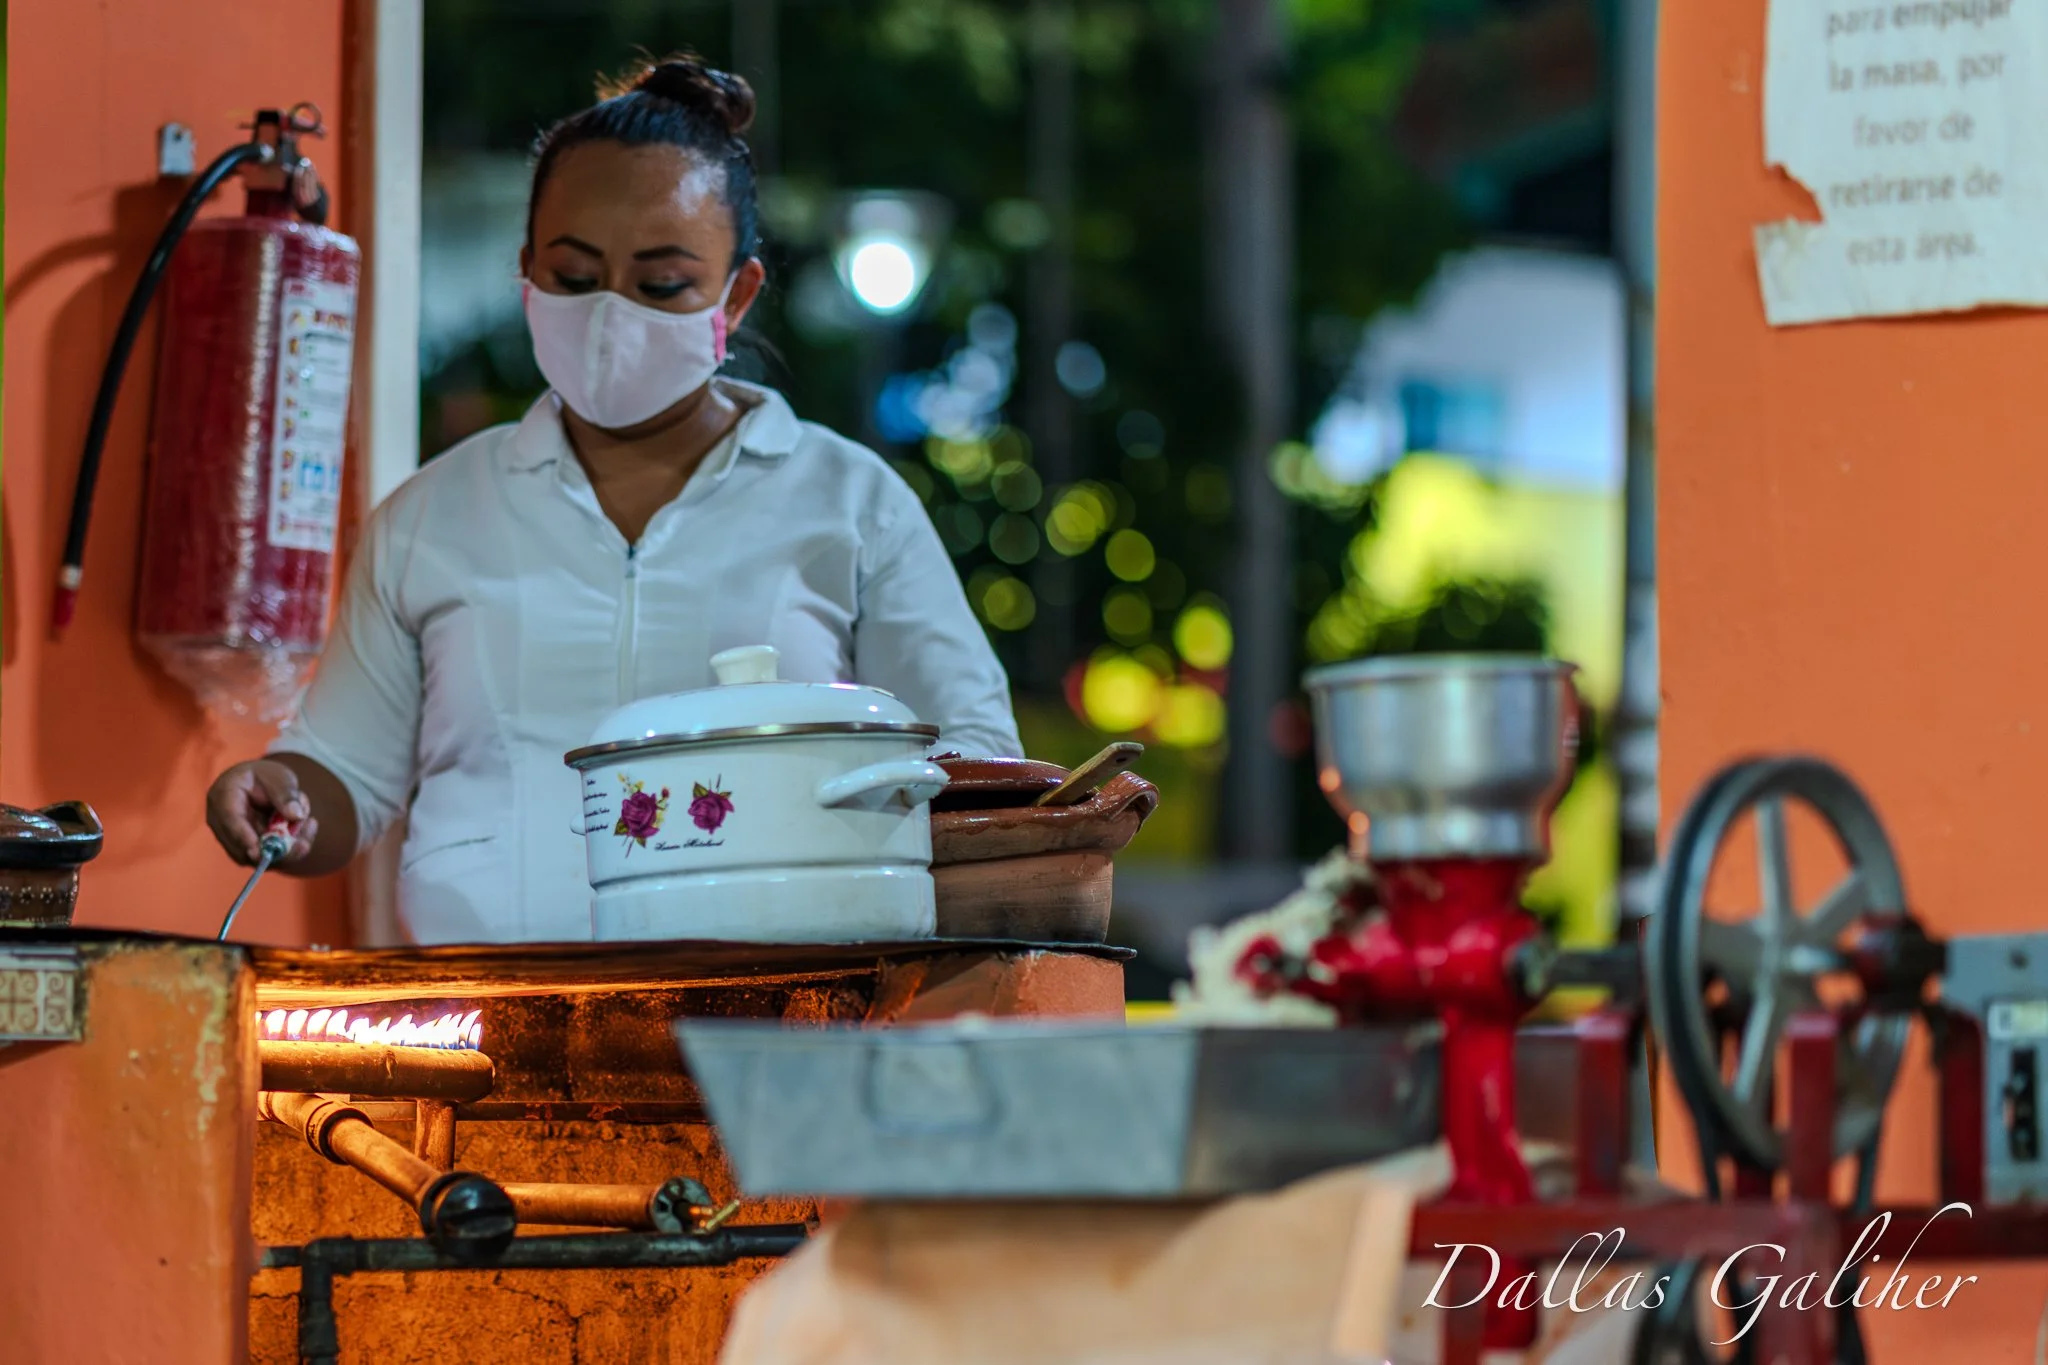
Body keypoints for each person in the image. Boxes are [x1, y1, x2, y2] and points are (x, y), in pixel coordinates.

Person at [205, 56, 1022, 944]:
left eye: (662, 284)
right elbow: (343, 780)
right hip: (490, 1026)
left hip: (780, 1023)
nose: (611, 314)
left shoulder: (851, 504)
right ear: (525, 270)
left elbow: (977, 759)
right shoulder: (432, 516)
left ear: (736, 294)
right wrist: (279, 796)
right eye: (574, 275)